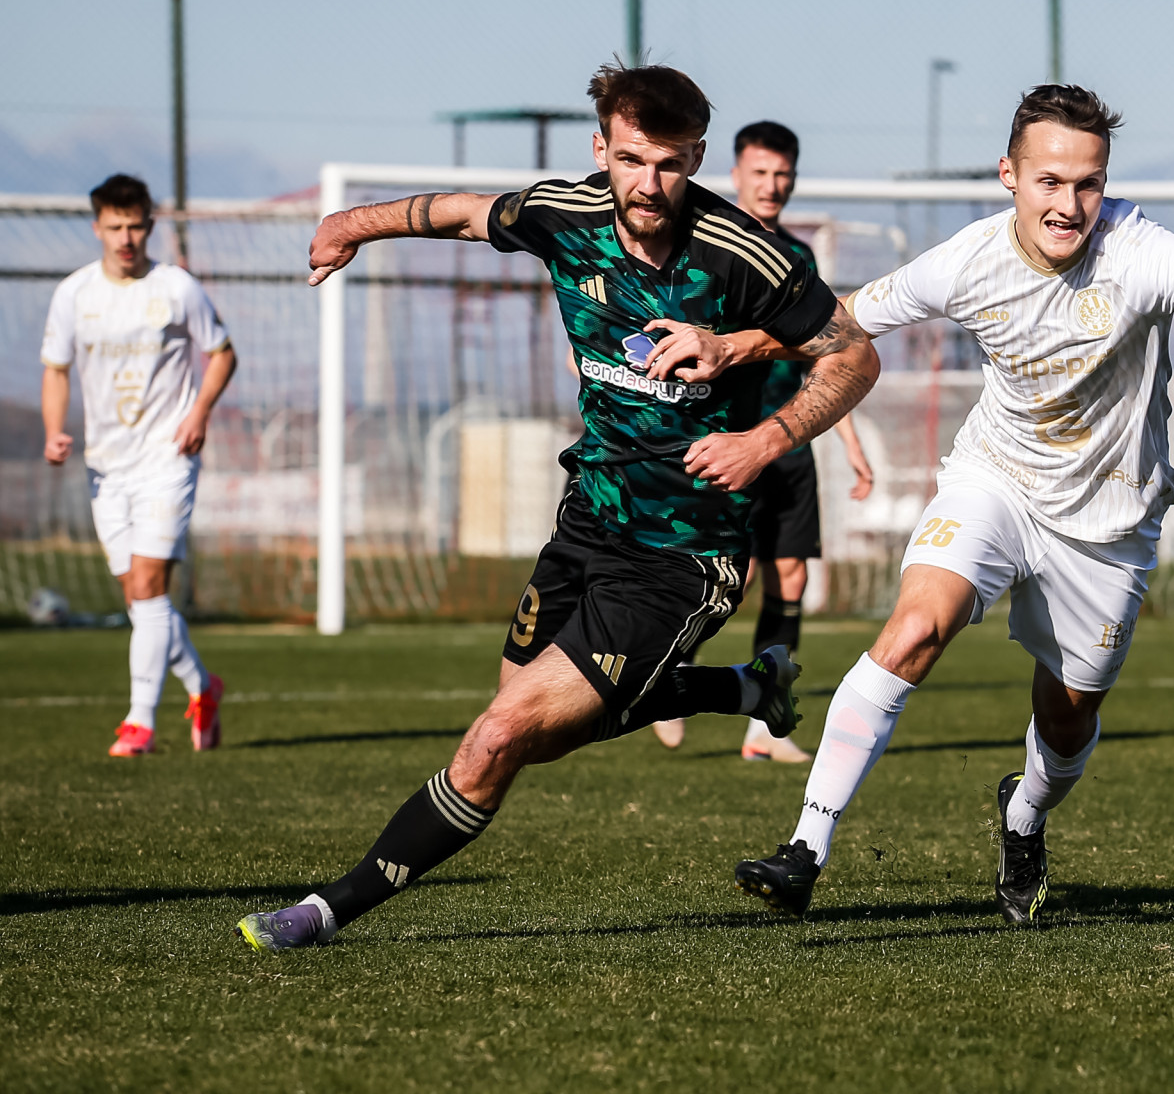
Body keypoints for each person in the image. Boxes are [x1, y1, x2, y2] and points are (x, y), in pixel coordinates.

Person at [719, 84, 1174, 924]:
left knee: (1066, 721)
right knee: (915, 628)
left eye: (1088, 184)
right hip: (996, 482)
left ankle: (1025, 814)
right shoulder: (966, 260)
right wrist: (732, 345)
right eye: (1049, 182)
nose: (1069, 206)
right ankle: (805, 848)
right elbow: (840, 319)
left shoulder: (1141, 251)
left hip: (1109, 522)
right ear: (1008, 174)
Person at [234, 63, 879, 951]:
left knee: (499, 737)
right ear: (600, 149)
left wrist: (765, 438)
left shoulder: (745, 255)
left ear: (696, 158)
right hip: (587, 519)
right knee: (529, 720)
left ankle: (322, 911)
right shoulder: (565, 214)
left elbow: (854, 356)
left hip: (684, 557)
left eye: (669, 163)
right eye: (630, 160)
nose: (647, 184)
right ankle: (742, 687)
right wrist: (351, 224)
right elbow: (462, 213)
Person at [650, 120, 876, 763]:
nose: (772, 185)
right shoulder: (707, 249)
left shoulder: (798, 259)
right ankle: (671, 675)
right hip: (728, 439)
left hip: (791, 442)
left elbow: (827, 357)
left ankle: (763, 730)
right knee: (735, 576)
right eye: (760, 173)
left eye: (782, 174)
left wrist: (850, 444)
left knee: (792, 576)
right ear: (735, 175)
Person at [40, 173, 236, 757]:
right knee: (140, 599)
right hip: (106, 468)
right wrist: (54, 430)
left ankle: (139, 723)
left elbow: (222, 354)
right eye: (115, 227)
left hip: (167, 459)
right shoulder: (74, 294)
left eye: (135, 226)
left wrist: (199, 412)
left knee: (150, 586)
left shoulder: (176, 287)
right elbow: (56, 368)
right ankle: (203, 687)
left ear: (150, 226)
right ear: (97, 228)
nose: (125, 238)